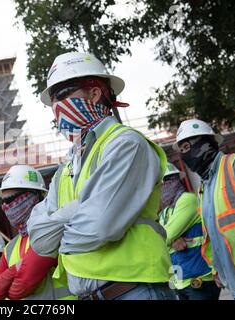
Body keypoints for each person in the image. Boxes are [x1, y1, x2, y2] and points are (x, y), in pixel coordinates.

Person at [27, 52, 176, 300]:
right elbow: (40, 240)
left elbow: (99, 227)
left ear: (95, 93)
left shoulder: (125, 144)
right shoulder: (67, 165)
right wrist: (78, 210)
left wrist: (60, 239)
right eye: (52, 99)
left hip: (135, 290)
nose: (56, 107)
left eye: (63, 94)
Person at [173, 118, 235, 300]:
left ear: (207, 143)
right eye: (182, 151)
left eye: (187, 147)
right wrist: (217, 268)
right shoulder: (205, 186)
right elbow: (214, 233)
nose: (185, 155)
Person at [0, 165, 74, 300]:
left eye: (10, 200)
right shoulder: (10, 248)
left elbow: (18, 289)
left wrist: (6, 281)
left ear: (35, 196)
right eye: (2, 201)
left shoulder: (50, 231)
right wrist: (15, 269)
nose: (5, 207)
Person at [158, 162, 220, 300]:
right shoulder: (165, 211)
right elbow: (157, 240)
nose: (163, 188)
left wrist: (169, 239)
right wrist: (171, 240)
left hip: (199, 277)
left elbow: (163, 237)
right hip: (179, 280)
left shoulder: (187, 200)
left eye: (170, 181)